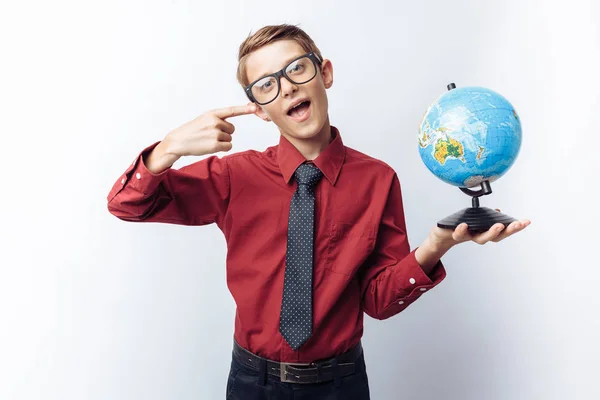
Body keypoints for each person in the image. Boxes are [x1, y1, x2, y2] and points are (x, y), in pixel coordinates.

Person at [106, 24, 530, 400]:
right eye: (267, 85)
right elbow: (126, 204)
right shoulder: (234, 176)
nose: (287, 87)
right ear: (258, 107)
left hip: (339, 384)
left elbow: (378, 301)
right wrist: (169, 148)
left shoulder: (377, 180)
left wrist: (438, 244)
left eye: (296, 69)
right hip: (253, 382)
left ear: (324, 73)